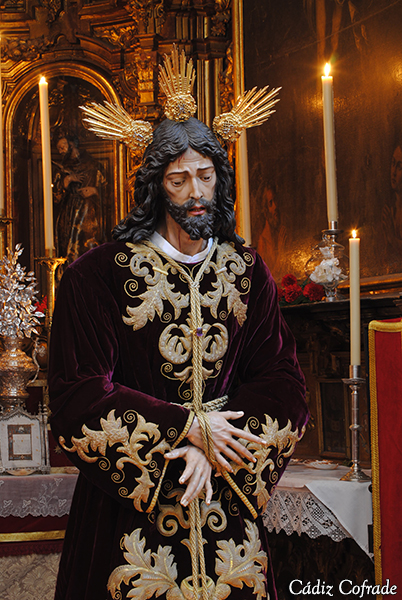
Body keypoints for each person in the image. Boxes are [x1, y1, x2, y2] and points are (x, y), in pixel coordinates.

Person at [48, 114, 308, 600]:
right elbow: (76, 393)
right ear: (155, 186)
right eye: (179, 180)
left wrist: (212, 447)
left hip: (225, 503)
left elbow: (283, 381)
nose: (196, 193)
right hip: (127, 519)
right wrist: (184, 429)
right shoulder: (97, 275)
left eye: (205, 177)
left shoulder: (246, 272)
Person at [53, 134, 107, 263]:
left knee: (88, 247)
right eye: (58, 148)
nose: (60, 151)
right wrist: (67, 180)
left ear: (72, 144)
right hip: (68, 214)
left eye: (62, 146)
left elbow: (110, 191)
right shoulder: (62, 170)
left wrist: (95, 191)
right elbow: (55, 197)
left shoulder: (93, 165)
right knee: (68, 248)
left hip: (88, 212)